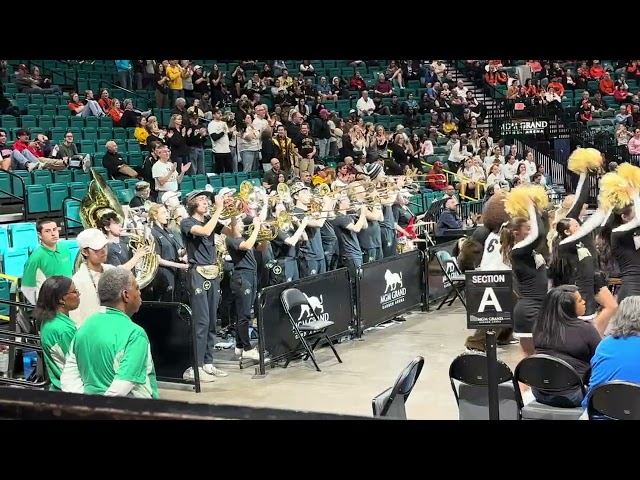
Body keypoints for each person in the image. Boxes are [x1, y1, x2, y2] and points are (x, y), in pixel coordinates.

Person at [61, 268, 159, 398]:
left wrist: (89, 407)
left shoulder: (84, 328)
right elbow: (121, 388)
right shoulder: (135, 334)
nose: (140, 293)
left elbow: (68, 379)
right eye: (136, 288)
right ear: (126, 295)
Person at [554, 165, 616, 336]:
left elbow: (598, 215)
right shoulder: (568, 237)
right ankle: (592, 337)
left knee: (612, 306)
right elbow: (585, 204)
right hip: (580, 280)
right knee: (584, 318)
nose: (584, 206)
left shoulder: (579, 226)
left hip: (594, 275)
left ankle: (596, 335)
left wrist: (585, 174)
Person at [180, 189, 228, 382]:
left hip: (213, 273)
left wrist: (232, 216)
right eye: (202, 200)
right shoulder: (187, 222)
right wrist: (218, 209)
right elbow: (206, 231)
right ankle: (196, 367)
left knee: (211, 322)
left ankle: (208, 363)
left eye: (207, 200)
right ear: (192, 203)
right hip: (198, 273)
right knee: (201, 322)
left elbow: (231, 232)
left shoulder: (210, 218)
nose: (206, 202)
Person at [532, 285, 601, 408]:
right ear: (568, 306)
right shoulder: (586, 330)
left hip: (539, 392)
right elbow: (600, 361)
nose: (584, 302)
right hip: (573, 396)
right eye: (580, 300)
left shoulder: (539, 327)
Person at [500, 200, 548, 357]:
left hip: (537, 307)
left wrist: (539, 212)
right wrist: (530, 205)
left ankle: (523, 382)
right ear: (516, 234)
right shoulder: (518, 251)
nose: (531, 231)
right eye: (528, 229)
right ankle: (524, 381)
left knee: (531, 355)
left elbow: (542, 231)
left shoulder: (526, 252)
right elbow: (539, 233)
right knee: (533, 355)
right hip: (529, 310)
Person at [226, 215, 268, 361]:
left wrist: (264, 235)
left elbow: (261, 247)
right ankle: (247, 348)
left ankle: (239, 345)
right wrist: (256, 228)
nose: (243, 225)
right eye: (239, 223)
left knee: (243, 314)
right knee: (244, 315)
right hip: (242, 277)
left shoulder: (244, 237)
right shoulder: (231, 238)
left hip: (251, 276)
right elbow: (247, 246)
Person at [34, 276, 80, 392]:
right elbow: (80, 365)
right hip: (69, 392)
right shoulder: (63, 330)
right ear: (61, 299)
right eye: (75, 291)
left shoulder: (51, 320)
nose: (79, 294)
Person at [21, 220, 73, 305]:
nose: (53, 234)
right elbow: (27, 288)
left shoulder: (65, 249)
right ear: (39, 235)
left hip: (69, 300)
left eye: (55, 229)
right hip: (51, 305)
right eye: (47, 231)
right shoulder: (35, 258)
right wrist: (43, 305)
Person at [148, 204, 189, 302]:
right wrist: (180, 266)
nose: (167, 215)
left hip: (174, 272)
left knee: (176, 299)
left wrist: (189, 244)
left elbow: (179, 252)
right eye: (163, 213)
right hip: (164, 273)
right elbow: (158, 259)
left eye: (167, 212)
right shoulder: (153, 233)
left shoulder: (168, 231)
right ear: (155, 216)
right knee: (167, 300)